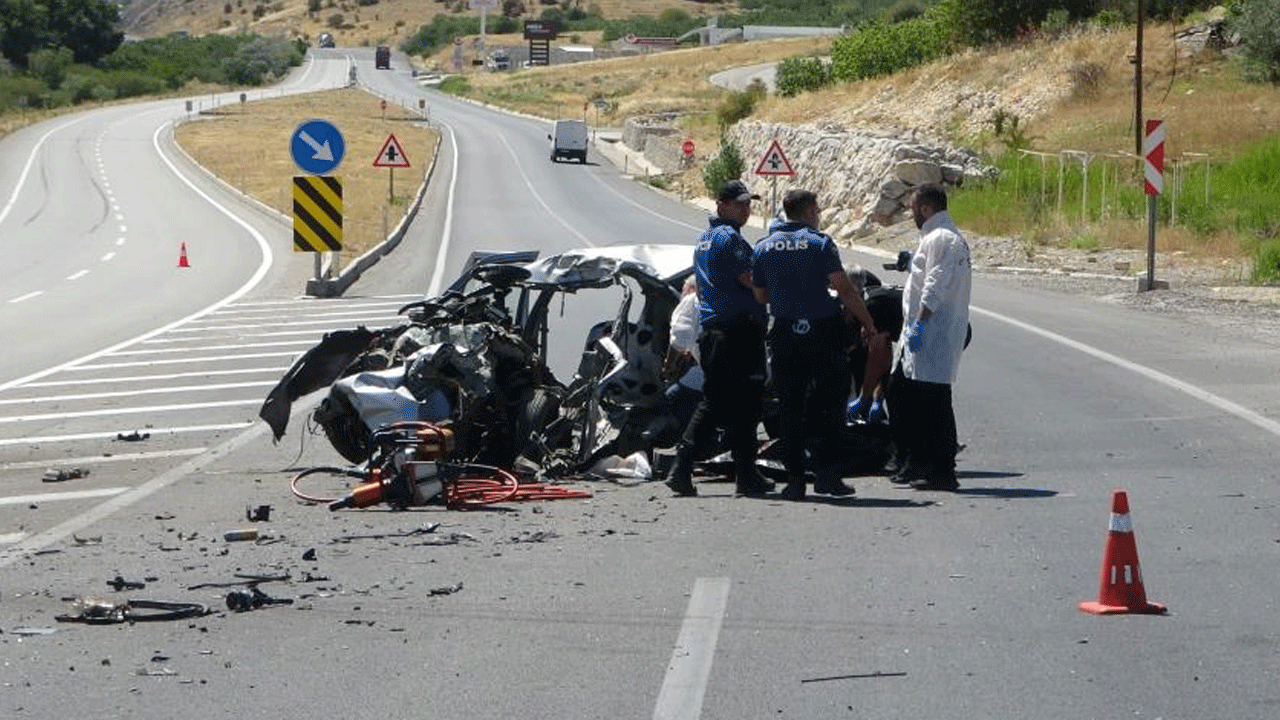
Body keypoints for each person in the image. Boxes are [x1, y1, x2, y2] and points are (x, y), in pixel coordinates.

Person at [751, 189, 880, 501]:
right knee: (830, 405)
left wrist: (787, 296)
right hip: (822, 333)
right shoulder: (820, 243)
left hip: (785, 334)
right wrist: (869, 325)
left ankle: (795, 481)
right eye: (817, 211)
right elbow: (845, 289)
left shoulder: (764, 247)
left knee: (791, 408)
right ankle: (827, 475)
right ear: (809, 213)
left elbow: (760, 296)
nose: (819, 215)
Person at [661, 179, 773, 498]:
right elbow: (750, 278)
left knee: (734, 405)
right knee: (736, 403)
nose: (746, 209)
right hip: (736, 331)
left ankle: (743, 474)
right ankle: (685, 468)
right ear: (721, 205)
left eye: (748, 204)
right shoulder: (729, 238)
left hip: (718, 332)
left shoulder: (705, 239)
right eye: (739, 204)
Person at [887, 183, 972, 491]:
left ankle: (942, 470)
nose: (910, 214)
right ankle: (916, 461)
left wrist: (921, 322)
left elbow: (935, 285)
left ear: (925, 209)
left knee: (934, 403)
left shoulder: (942, 238)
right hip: (925, 332)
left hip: (934, 333)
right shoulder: (939, 238)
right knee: (905, 395)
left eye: (912, 209)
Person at [845, 267, 903, 425]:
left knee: (903, 388)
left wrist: (865, 398)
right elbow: (885, 359)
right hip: (951, 328)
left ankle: (928, 442)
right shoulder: (872, 294)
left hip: (943, 334)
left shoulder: (872, 306)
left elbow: (878, 358)